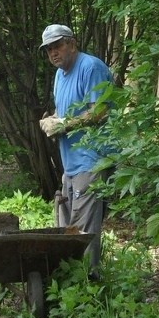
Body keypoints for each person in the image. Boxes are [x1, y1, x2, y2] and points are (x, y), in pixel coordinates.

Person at [38, 24, 114, 281]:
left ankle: (88, 282)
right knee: (67, 225)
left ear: (72, 43)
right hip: (70, 162)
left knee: (83, 229)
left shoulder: (91, 67)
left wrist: (63, 124)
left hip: (92, 159)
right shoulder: (60, 75)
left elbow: (100, 111)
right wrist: (51, 121)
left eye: (57, 45)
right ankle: (70, 280)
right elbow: (67, 113)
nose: (53, 53)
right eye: (48, 49)